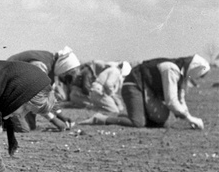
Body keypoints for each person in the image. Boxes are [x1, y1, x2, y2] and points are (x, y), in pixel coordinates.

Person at [79, 54, 210, 129]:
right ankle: (100, 119)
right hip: (134, 84)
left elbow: (180, 99)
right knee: (138, 122)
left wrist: (189, 118)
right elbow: (171, 101)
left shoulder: (181, 75)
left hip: (146, 89)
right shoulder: (171, 69)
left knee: (163, 121)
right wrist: (190, 118)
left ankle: (130, 115)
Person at [6, 46, 80, 131]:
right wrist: (53, 119)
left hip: (18, 91)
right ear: (64, 68)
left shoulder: (51, 64)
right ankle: (2, 120)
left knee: (30, 125)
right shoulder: (41, 65)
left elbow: (48, 95)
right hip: (9, 91)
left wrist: (60, 115)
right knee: (23, 128)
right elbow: (35, 96)